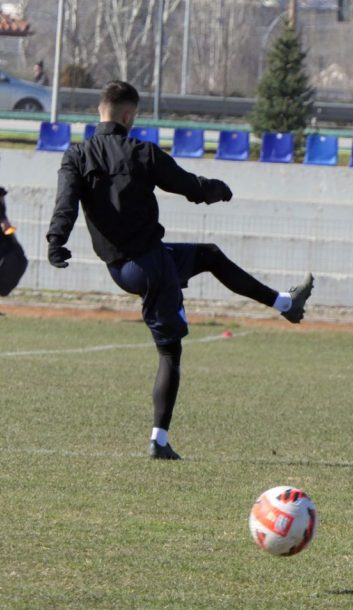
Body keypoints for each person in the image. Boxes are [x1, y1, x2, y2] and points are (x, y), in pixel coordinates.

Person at [46, 80, 314, 460]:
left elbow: (65, 204)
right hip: (152, 268)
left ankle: (285, 303)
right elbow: (189, 185)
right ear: (128, 116)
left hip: (123, 268)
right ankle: (158, 440)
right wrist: (218, 189)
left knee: (209, 255)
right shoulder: (142, 152)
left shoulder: (76, 155)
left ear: (100, 113)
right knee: (170, 353)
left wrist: (56, 243)